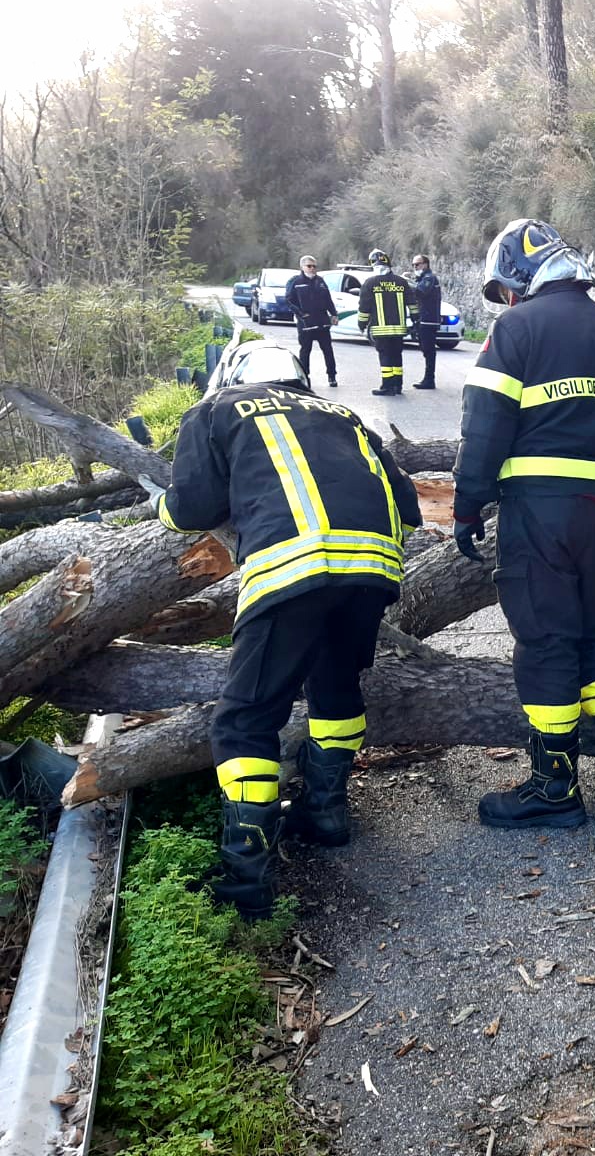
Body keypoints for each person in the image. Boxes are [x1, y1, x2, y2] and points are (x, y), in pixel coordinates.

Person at [148, 340, 422, 919]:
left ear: (233, 373)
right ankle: (326, 813)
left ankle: (246, 879)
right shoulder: (344, 414)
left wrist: (160, 507)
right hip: (373, 567)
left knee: (246, 717)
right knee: (336, 688)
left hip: (290, 566)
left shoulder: (216, 409)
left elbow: (190, 509)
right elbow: (408, 503)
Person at [452, 218, 595, 829]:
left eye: (505, 291)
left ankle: (553, 788)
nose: (505, 302)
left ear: (518, 279)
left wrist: (467, 504)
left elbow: (484, 423)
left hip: (539, 510)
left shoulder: (515, 328)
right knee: (593, 641)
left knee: (546, 643)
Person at [358, 249, 417, 397]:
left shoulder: (370, 283)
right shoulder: (401, 282)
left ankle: (387, 386)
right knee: (397, 356)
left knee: (385, 357)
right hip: (399, 329)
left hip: (381, 329)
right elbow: (412, 304)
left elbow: (364, 307)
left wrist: (362, 324)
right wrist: (416, 320)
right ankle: (398, 385)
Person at [283, 255, 339, 387]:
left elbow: (328, 299)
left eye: (314, 266)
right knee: (305, 351)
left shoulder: (320, 281)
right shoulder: (295, 282)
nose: (312, 269)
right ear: (302, 267)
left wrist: (334, 314)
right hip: (306, 324)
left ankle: (332, 376)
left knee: (328, 350)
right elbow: (289, 301)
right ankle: (304, 377)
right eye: (309, 266)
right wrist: (301, 314)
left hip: (322, 322)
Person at [410, 254, 442, 390]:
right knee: (425, 349)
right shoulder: (423, 278)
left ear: (425, 264)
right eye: (413, 265)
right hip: (424, 319)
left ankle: (429, 379)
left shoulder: (429, 278)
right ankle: (428, 378)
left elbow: (420, 292)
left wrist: (406, 282)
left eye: (417, 264)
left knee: (428, 350)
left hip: (429, 320)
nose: (415, 267)